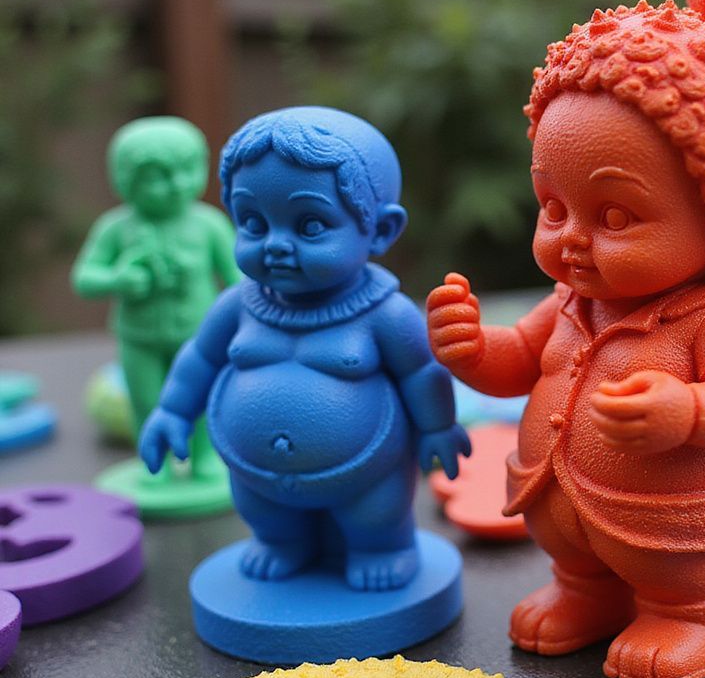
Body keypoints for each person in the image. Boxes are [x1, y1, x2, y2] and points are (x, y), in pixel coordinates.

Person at [427, 0, 705, 678]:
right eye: (553, 207)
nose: (571, 239)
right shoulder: (569, 301)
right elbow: (518, 359)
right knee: (577, 561)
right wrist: (471, 349)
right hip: (562, 502)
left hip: (673, 524)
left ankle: (700, 617)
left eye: (615, 214)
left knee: (684, 579)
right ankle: (586, 592)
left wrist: (687, 409)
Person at [139, 106, 468, 588]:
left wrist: (439, 426)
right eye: (252, 222)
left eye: (310, 225)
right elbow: (200, 358)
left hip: (367, 476)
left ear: (380, 230)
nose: (274, 244)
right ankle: (282, 541)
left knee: (375, 516)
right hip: (259, 478)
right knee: (266, 515)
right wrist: (171, 411)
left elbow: (422, 371)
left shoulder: (386, 314)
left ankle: (384, 546)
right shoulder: (238, 305)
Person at [72, 117, 238, 510]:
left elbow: (238, 277)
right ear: (126, 182)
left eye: (187, 170)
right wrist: (119, 278)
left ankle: (204, 457)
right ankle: (156, 461)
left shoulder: (208, 225)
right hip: (139, 337)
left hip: (201, 336)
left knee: (203, 395)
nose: (177, 184)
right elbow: (84, 277)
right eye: (158, 177)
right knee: (147, 399)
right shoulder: (117, 229)